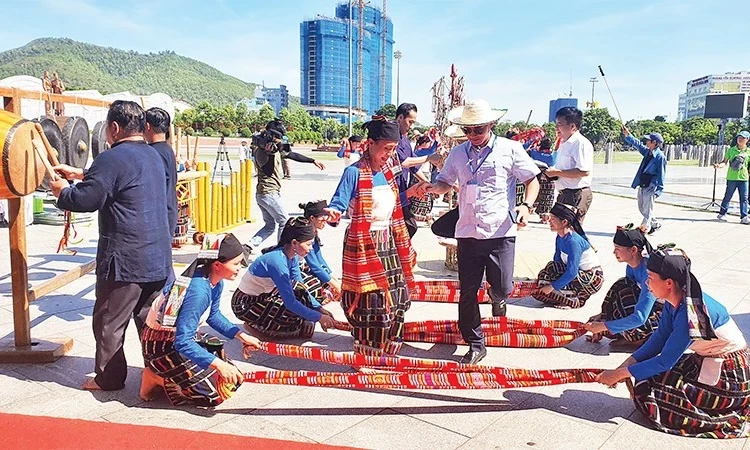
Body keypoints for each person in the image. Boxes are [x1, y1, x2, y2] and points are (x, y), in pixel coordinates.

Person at [49, 100, 172, 391]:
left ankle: (109, 379)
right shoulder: (154, 155)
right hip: (157, 256)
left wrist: (62, 192)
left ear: (113, 128)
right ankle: (159, 372)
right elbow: (121, 180)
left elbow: (86, 200)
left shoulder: (111, 158)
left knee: (109, 323)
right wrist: (82, 175)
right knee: (149, 321)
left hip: (125, 259)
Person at [426, 99, 541, 364]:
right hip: (467, 231)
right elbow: (445, 181)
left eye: (478, 129)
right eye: (468, 130)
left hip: (500, 230)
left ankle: (498, 297)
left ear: (491, 125)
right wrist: (435, 188)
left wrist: (526, 206)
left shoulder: (510, 149)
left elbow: (531, 180)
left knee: (502, 286)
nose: (473, 135)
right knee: (467, 291)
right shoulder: (457, 154)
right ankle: (475, 342)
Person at [597, 246, 749, 439]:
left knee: (661, 398)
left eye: (650, 277)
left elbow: (664, 361)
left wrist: (620, 374)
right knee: (647, 379)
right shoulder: (675, 298)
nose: (646, 282)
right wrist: (627, 364)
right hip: (703, 360)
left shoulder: (692, 312)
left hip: (729, 373)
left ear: (668, 282)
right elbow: (659, 338)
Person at [326, 116, 423, 356]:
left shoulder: (389, 173)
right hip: (363, 242)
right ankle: (367, 350)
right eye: (386, 149)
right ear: (370, 143)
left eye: (393, 150)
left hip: (389, 240)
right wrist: (333, 212)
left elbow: (394, 204)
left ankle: (390, 343)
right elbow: (339, 201)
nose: (390, 155)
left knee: (399, 295)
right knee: (371, 302)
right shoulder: (354, 172)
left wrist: (412, 191)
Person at [140, 234, 261, 406]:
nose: (239, 268)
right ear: (217, 265)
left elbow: (213, 316)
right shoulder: (198, 292)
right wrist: (219, 365)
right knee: (213, 395)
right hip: (161, 344)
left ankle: (172, 374)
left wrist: (241, 336)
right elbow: (182, 342)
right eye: (235, 264)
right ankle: (155, 376)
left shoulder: (214, 280)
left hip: (177, 337)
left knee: (232, 380)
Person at [232, 217, 337, 338]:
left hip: (267, 293)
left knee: (311, 288)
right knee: (293, 310)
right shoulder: (277, 261)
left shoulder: (292, 256)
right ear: (294, 243)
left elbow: (300, 286)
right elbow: (290, 302)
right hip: (246, 304)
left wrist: (318, 309)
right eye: (308, 244)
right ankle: (255, 325)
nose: (310, 248)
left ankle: (298, 323)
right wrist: (319, 317)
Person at [244, 119, 325, 255]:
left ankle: (248, 246)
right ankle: (281, 251)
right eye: (278, 138)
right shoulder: (261, 152)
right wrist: (269, 155)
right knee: (285, 222)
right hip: (268, 192)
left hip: (265, 194)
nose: (280, 141)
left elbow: (292, 154)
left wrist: (312, 161)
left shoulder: (273, 148)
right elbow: (268, 171)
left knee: (270, 226)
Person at [584, 225, 661, 347]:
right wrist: (602, 317)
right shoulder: (631, 266)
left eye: (618, 248)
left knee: (627, 303)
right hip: (651, 307)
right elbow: (627, 291)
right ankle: (628, 335)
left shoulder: (649, 275)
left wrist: (603, 326)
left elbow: (640, 317)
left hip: (664, 315)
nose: (614, 252)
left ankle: (639, 339)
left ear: (633, 250)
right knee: (621, 287)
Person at [533, 202, 603, 309]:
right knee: (548, 272)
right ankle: (565, 294)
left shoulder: (573, 241)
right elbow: (557, 262)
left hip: (590, 278)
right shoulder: (560, 237)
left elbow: (572, 272)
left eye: (553, 219)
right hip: (576, 274)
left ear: (564, 222)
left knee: (548, 289)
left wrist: (552, 286)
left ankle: (576, 299)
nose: (549, 222)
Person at [394, 103, 440, 237]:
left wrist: (431, 186)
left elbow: (414, 167)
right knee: (408, 226)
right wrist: (429, 158)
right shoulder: (391, 136)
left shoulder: (405, 140)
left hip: (402, 189)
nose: (411, 126)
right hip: (390, 187)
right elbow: (403, 162)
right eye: (410, 122)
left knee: (409, 226)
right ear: (400, 118)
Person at [544, 107, 594, 222]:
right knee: (561, 229)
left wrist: (556, 172)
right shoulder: (564, 143)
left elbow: (584, 171)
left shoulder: (580, 144)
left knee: (571, 230)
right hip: (565, 193)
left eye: (560, 124)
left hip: (576, 193)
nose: (556, 128)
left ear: (572, 126)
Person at [622, 127, 667, 234]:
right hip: (642, 183)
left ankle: (643, 230)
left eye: (648, 140)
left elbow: (662, 174)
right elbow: (637, 144)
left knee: (647, 209)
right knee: (642, 208)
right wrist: (628, 135)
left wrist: (659, 190)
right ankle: (655, 224)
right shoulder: (647, 152)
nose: (646, 141)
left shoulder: (660, 157)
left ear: (654, 143)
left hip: (651, 185)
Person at [145, 107, 178, 242]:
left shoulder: (152, 153)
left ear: (147, 126)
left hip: (159, 216)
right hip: (169, 210)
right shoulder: (167, 149)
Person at [298, 200, 342, 303]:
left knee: (329, 282)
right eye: (322, 217)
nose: (325, 220)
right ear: (312, 218)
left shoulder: (313, 232)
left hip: (304, 267)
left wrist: (335, 280)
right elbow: (314, 265)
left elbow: (320, 260)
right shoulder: (304, 234)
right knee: (318, 286)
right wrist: (337, 287)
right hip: (292, 269)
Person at [714, 130, 750, 224]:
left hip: (743, 178)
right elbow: (724, 162)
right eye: (739, 137)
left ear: (747, 140)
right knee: (728, 196)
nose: (740, 139)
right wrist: (719, 165)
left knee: (744, 198)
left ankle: (744, 217)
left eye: (742, 138)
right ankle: (722, 214)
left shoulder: (748, 152)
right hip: (731, 178)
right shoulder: (731, 150)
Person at [529, 137, 557, 219]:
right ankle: (544, 217)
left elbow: (529, 149)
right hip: (548, 180)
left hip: (535, 179)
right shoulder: (553, 156)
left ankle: (529, 212)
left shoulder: (534, 153)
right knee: (547, 198)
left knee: (534, 196)